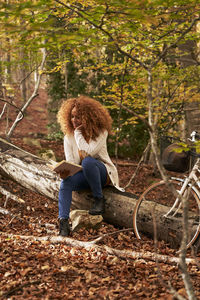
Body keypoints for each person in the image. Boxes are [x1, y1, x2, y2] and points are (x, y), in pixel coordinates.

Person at [57, 95, 124, 236]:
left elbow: (89, 153)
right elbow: (72, 162)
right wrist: (66, 171)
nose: (74, 120)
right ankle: (63, 222)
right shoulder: (68, 137)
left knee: (87, 161)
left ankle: (98, 199)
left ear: (88, 118)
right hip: (84, 174)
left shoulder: (101, 132)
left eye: (78, 117)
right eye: (72, 117)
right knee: (65, 182)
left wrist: (78, 133)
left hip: (103, 173)